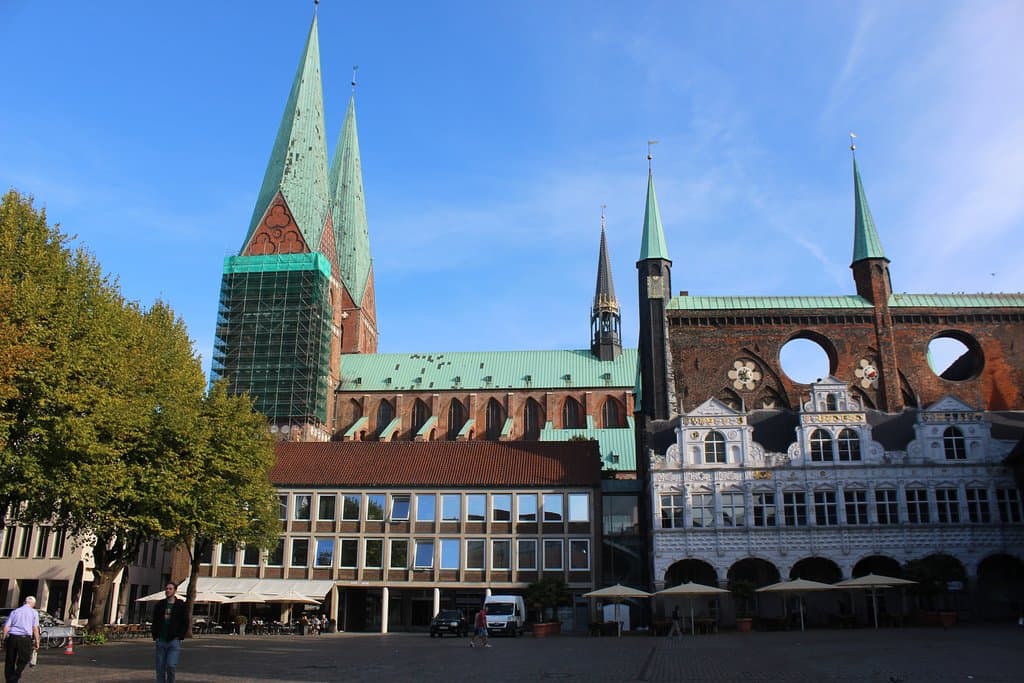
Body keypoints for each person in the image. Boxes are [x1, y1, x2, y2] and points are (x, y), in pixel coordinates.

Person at [151, 582, 188, 683]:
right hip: (161, 639)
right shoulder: (160, 605)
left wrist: (180, 636)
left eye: (170, 589)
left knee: (171, 665)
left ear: (175, 590)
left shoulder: (180, 605)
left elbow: (185, 622)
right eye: (166, 588)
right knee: (160, 667)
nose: (168, 590)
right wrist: (155, 636)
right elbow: (155, 620)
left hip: (174, 640)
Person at [3, 596, 39, 683]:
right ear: (33, 604)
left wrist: (4, 638)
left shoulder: (15, 611)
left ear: (24, 602)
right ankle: (15, 676)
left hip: (12, 637)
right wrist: (37, 640)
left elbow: (6, 626)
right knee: (25, 658)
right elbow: (35, 628)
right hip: (24, 638)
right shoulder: (34, 612)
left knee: (10, 659)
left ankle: (9, 678)